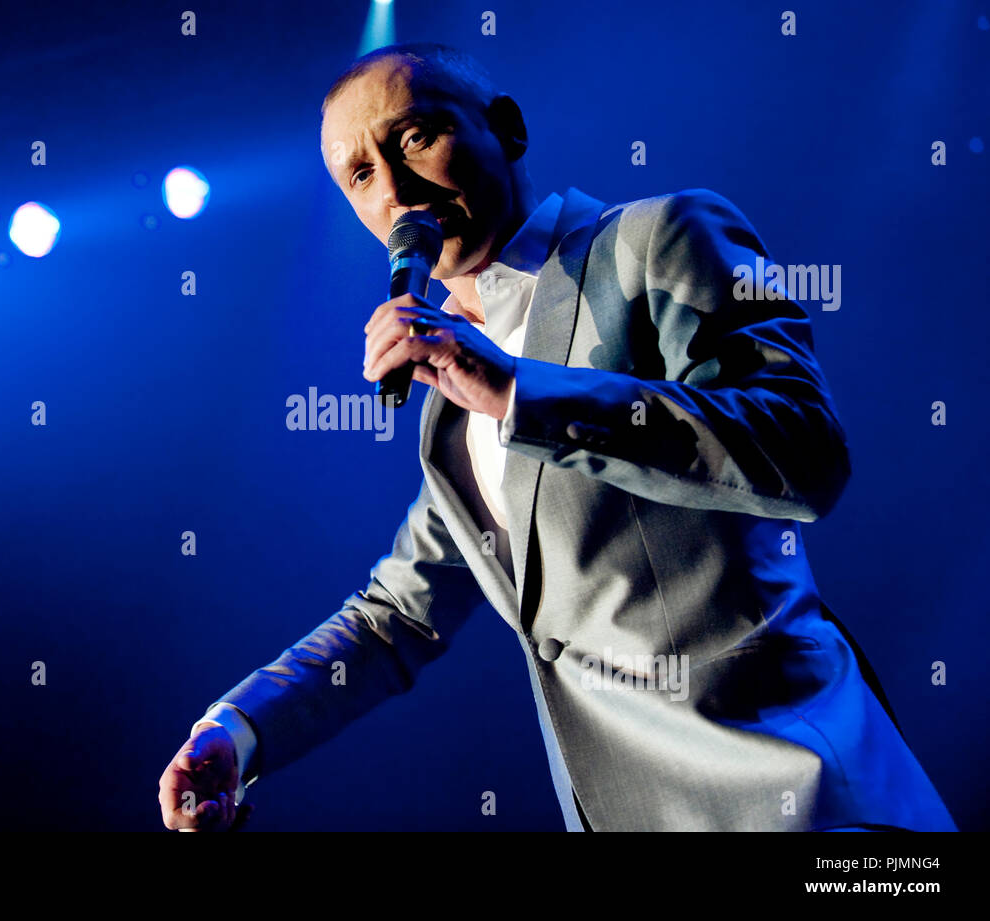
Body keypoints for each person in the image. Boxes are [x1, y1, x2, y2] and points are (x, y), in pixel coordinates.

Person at [157, 42, 957, 832]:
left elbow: (805, 451)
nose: (396, 190)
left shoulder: (657, 238)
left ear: (505, 130)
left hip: (801, 799)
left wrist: (516, 391)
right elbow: (394, 618)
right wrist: (236, 729)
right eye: (361, 175)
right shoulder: (447, 408)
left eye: (414, 138)